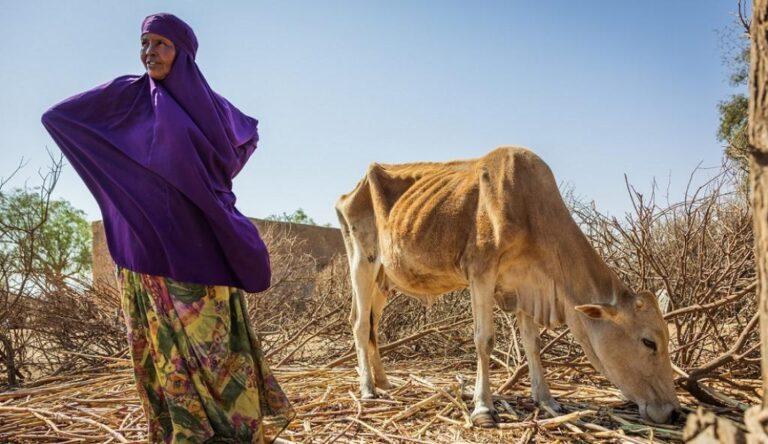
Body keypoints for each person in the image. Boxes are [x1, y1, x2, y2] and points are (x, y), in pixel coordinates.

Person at [41, 13, 294, 443]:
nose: (150, 52)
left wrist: (198, 191)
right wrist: (126, 190)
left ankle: (235, 433)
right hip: (146, 250)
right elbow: (57, 118)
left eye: (162, 43)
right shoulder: (129, 98)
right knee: (166, 356)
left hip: (201, 246)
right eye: (145, 43)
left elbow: (234, 153)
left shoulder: (215, 110)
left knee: (216, 351)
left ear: (184, 52)